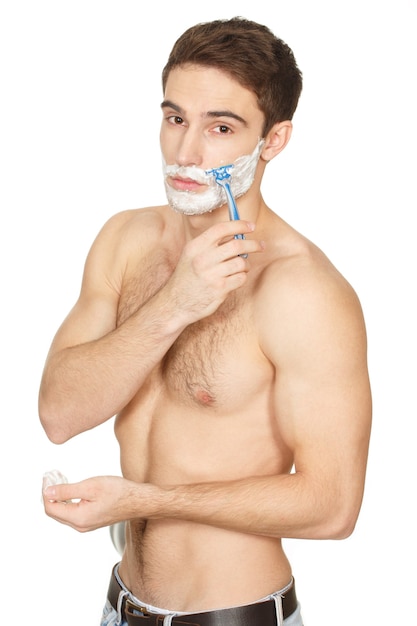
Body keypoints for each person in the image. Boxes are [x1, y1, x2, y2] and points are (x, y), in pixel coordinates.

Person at [39, 17, 372, 626]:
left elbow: (332, 507)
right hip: (119, 607)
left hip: (234, 615)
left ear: (273, 141)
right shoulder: (125, 240)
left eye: (221, 127)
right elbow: (60, 413)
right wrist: (176, 303)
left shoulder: (303, 291)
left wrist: (140, 500)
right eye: (175, 119)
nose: (186, 153)